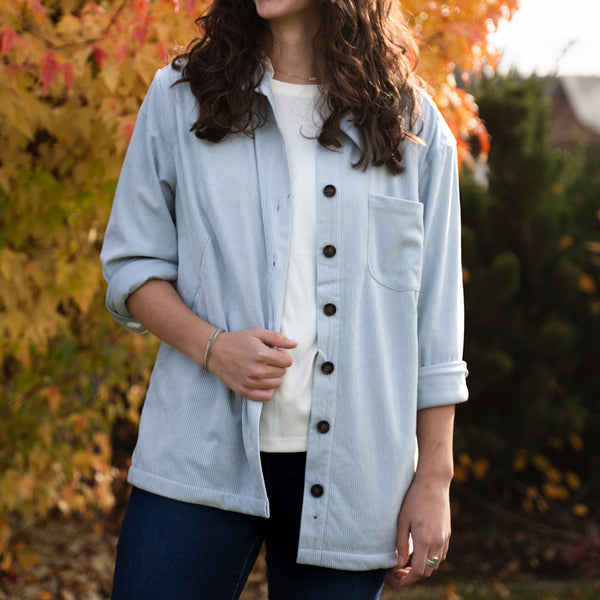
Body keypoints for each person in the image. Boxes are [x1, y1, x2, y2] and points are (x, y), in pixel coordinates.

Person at [100, 0, 468, 598]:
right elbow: (132, 267)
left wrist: (434, 478)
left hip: (356, 475)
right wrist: (214, 348)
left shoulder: (413, 125)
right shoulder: (179, 97)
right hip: (197, 460)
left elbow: (436, 328)